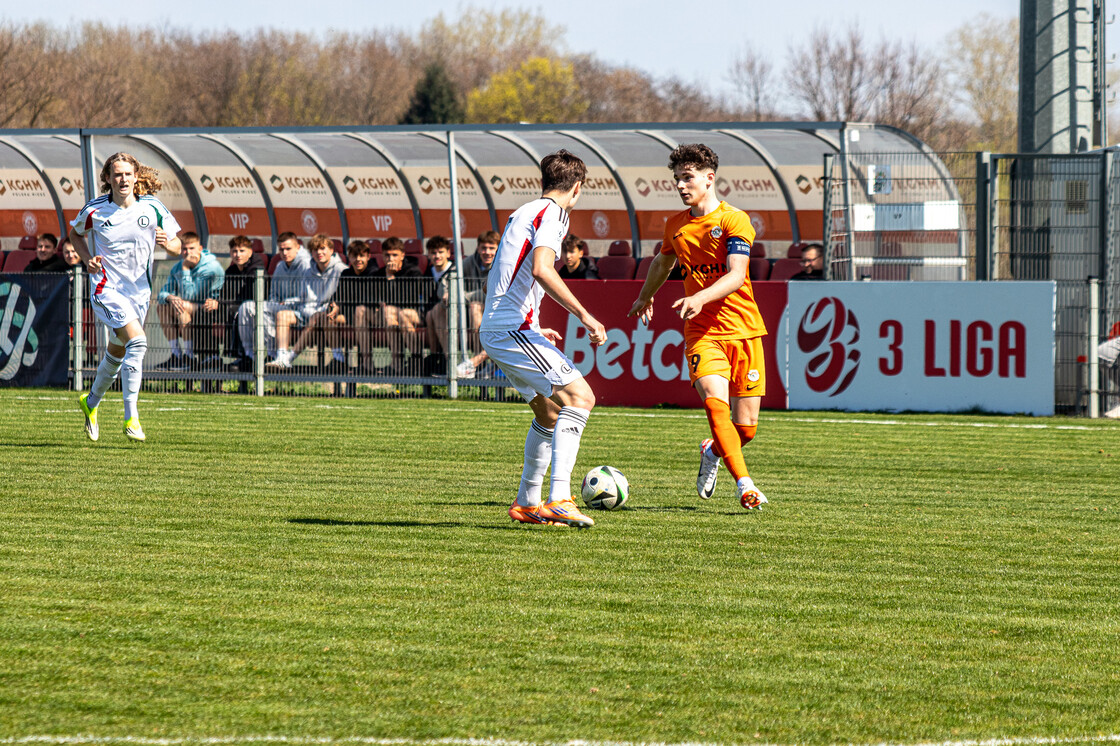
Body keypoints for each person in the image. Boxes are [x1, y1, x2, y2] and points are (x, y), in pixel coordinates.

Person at [628, 143, 768, 510]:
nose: (680, 185)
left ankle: (712, 450)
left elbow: (736, 275)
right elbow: (663, 263)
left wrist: (700, 296)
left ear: (709, 178)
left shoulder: (734, 220)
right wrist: (645, 296)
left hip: (744, 329)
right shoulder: (675, 225)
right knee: (715, 404)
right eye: (677, 179)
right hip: (702, 332)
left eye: (687, 177)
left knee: (746, 429)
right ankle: (745, 485)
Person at [480, 149, 607, 528]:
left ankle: (527, 503)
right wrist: (585, 315)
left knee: (549, 413)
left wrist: (532, 327)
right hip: (510, 329)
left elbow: (504, 277)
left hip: (501, 328)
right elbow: (542, 269)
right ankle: (560, 499)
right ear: (577, 188)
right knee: (581, 398)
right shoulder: (554, 214)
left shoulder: (524, 211)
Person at [71, 152, 182, 442]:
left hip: (139, 294)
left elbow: (178, 245)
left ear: (135, 177)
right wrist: (87, 259)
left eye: (128, 174)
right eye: (117, 174)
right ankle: (131, 417)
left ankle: (90, 402)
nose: (123, 179)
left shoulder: (152, 207)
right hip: (106, 289)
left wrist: (167, 243)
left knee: (118, 351)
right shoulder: (95, 209)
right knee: (139, 342)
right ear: (108, 178)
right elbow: (75, 234)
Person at [268, 233, 346, 369]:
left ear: (331, 250)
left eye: (323, 248)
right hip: (307, 312)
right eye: (315, 250)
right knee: (282, 315)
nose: (319, 253)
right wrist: (288, 303)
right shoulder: (308, 271)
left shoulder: (341, 270)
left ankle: (290, 358)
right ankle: (281, 356)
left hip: (329, 314)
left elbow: (342, 298)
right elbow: (303, 298)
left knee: (319, 317)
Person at [154, 232, 225, 370]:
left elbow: (191, 295)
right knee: (162, 307)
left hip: (208, 310)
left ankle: (189, 356)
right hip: (187, 308)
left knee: (180, 305)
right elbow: (163, 293)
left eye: (192, 248)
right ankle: (178, 355)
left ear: (200, 248)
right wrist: (170, 297)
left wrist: (186, 269)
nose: (188, 253)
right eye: (184, 249)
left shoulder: (210, 267)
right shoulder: (177, 267)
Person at [236, 232, 310, 366]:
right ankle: (249, 354)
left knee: (260, 309)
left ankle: (272, 353)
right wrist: (276, 302)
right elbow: (273, 293)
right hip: (281, 306)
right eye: (281, 249)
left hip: (300, 310)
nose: (285, 253)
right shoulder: (280, 266)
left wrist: (286, 302)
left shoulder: (306, 265)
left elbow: (306, 296)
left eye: (288, 249)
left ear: (298, 248)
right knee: (247, 307)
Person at [370, 236, 425, 373]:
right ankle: (398, 363)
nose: (391, 259)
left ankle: (416, 359)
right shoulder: (378, 274)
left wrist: (391, 278)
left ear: (402, 255)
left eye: (395, 255)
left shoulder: (413, 271)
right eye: (387, 255)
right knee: (389, 313)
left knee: (399, 313)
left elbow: (407, 300)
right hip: (387, 316)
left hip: (414, 312)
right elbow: (374, 298)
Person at [219, 235, 267, 371]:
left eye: (242, 251)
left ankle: (245, 356)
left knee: (236, 312)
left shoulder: (257, 268)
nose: (238, 255)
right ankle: (209, 358)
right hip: (235, 306)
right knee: (206, 311)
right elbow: (225, 294)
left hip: (256, 309)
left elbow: (253, 295)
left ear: (250, 252)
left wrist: (226, 304)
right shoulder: (231, 271)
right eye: (234, 251)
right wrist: (216, 302)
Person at [336, 239, 379, 373]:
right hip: (350, 314)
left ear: (368, 257)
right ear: (349, 257)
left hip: (373, 315)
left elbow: (370, 301)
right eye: (354, 256)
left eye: (361, 256)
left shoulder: (375, 273)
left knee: (360, 311)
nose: (358, 259)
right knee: (325, 317)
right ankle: (338, 361)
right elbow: (339, 297)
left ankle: (367, 362)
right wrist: (334, 307)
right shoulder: (346, 274)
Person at [422, 236, 455, 374]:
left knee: (433, 313)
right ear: (428, 255)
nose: (437, 256)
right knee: (430, 314)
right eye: (433, 253)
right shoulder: (427, 273)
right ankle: (436, 357)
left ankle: (445, 359)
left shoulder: (455, 270)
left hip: (452, 313)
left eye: (440, 252)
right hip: (431, 314)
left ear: (448, 253)